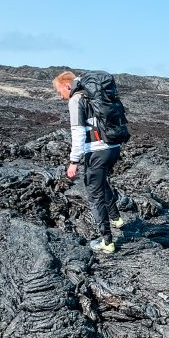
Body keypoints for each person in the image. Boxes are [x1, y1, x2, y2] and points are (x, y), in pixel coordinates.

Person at [52, 70, 126, 254]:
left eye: (60, 92)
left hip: (96, 152)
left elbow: (77, 133)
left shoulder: (76, 99)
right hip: (113, 148)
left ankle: (107, 242)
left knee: (94, 196)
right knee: (102, 183)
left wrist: (73, 161)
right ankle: (116, 218)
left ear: (67, 86)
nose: (60, 97)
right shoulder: (96, 95)